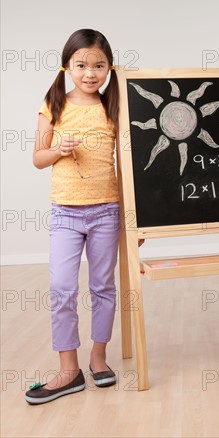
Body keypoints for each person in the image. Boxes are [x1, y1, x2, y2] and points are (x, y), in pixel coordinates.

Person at [26, 29, 123, 404]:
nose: (90, 73)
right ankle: (69, 369)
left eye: (99, 65)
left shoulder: (114, 103)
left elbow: (128, 167)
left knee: (103, 286)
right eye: (82, 65)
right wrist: (58, 151)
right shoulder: (54, 103)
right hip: (66, 211)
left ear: (109, 68)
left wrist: (133, 221)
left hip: (107, 210)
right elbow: (37, 158)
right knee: (62, 288)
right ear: (67, 66)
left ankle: (98, 358)